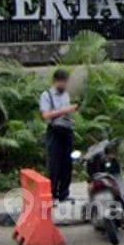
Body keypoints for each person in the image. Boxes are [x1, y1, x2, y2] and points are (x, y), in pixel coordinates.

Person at [39, 69, 79, 202]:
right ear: (57, 81)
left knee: (67, 163)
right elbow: (45, 115)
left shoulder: (65, 95)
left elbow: (66, 112)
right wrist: (64, 110)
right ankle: (52, 194)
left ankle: (64, 193)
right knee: (54, 164)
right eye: (63, 82)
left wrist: (70, 114)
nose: (65, 85)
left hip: (66, 130)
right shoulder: (46, 95)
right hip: (54, 130)